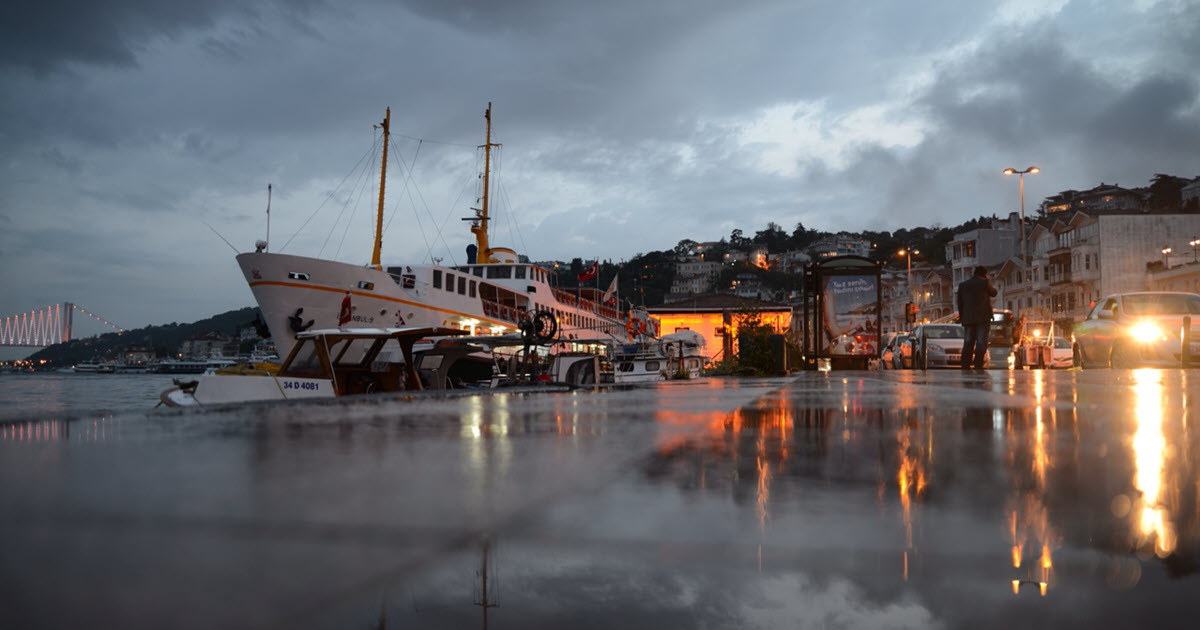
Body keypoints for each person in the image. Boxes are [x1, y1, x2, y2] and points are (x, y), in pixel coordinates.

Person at [956, 265, 997, 369]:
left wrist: (962, 317)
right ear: (984, 274)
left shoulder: (963, 285)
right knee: (981, 341)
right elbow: (994, 293)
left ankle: (965, 364)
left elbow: (960, 303)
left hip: (968, 318)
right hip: (983, 318)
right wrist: (987, 281)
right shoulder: (984, 283)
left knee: (968, 341)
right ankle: (978, 364)